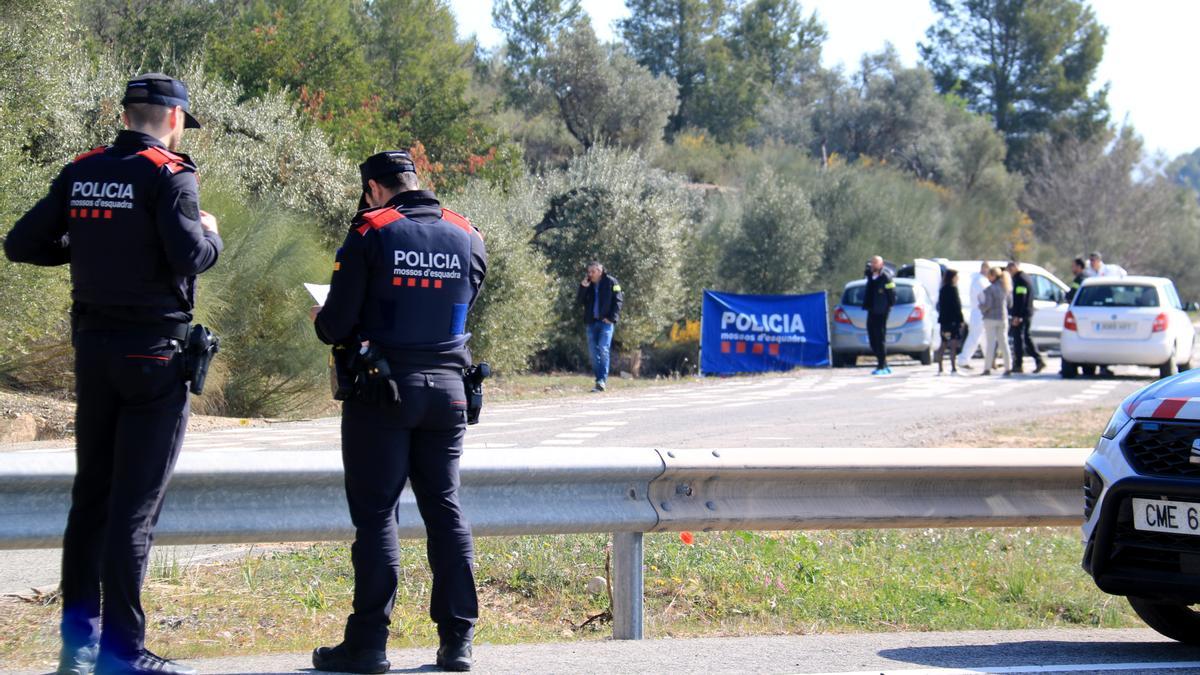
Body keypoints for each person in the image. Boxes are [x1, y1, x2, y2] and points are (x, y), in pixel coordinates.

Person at [3, 74, 219, 675]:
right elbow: (189, 256)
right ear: (174, 119)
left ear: (124, 114)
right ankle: (123, 654)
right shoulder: (170, 173)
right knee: (133, 512)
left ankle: (79, 648)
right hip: (152, 356)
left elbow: (22, 243)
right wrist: (211, 235)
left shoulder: (83, 170)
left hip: (93, 352)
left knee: (90, 502)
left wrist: (88, 242)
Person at [311, 150, 486, 674]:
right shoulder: (468, 234)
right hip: (449, 393)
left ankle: (369, 645)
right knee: (444, 508)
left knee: (378, 514)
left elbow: (337, 325)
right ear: (413, 181)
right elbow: (456, 309)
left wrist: (325, 317)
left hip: (382, 393)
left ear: (373, 189)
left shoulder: (372, 231)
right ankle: (458, 642)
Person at [576, 261, 623, 392]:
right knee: (592, 353)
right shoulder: (587, 284)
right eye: (588, 272)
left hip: (606, 323)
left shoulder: (612, 282)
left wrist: (612, 318)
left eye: (593, 272)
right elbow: (579, 301)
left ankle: (601, 381)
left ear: (600, 271)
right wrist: (583, 287)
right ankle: (599, 380)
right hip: (591, 322)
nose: (590, 274)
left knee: (603, 349)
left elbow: (618, 300)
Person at [1006, 261, 1046, 374]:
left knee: (1019, 339)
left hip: (1022, 314)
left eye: (1009, 270)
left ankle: (1019, 364)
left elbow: (1021, 298)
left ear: (1013, 268)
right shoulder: (1025, 278)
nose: (1009, 273)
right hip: (1025, 313)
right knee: (1026, 339)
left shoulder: (1020, 280)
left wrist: (1017, 316)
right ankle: (1037, 361)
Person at [862, 255, 896, 375]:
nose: (873, 265)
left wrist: (888, 306)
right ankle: (884, 363)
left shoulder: (886, 277)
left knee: (880, 338)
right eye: (872, 263)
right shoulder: (870, 276)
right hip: (871, 310)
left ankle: (881, 365)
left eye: (875, 263)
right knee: (872, 339)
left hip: (881, 311)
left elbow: (892, 293)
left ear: (881, 265)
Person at [956, 261, 991, 371]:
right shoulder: (980, 281)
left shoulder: (979, 280)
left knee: (984, 338)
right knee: (975, 337)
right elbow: (986, 297)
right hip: (980, 312)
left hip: (980, 312)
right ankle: (963, 359)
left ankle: (990, 359)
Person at [979, 267, 1012, 376]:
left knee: (990, 345)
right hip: (1002, 318)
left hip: (990, 318)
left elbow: (987, 305)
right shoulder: (1006, 288)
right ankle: (1008, 368)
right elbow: (1010, 304)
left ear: (993, 276)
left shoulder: (989, 289)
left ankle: (987, 368)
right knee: (1004, 344)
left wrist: (981, 306)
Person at [935, 269, 964, 375]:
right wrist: (960, 319)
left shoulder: (942, 289)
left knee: (943, 343)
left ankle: (940, 368)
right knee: (953, 344)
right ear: (952, 277)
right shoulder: (953, 289)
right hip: (953, 321)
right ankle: (953, 368)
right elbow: (957, 306)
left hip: (944, 321)